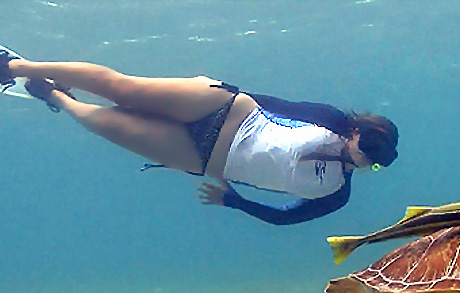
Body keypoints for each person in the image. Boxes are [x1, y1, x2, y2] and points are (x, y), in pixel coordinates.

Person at [0, 51, 399, 225]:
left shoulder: (335, 194)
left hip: (203, 158)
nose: (367, 159)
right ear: (357, 131)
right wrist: (223, 92)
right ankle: (15, 65)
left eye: (376, 162)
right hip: (227, 110)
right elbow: (277, 103)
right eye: (369, 146)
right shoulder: (330, 120)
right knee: (122, 90)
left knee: (104, 124)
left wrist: (234, 201)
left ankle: (53, 95)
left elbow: (284, 217)